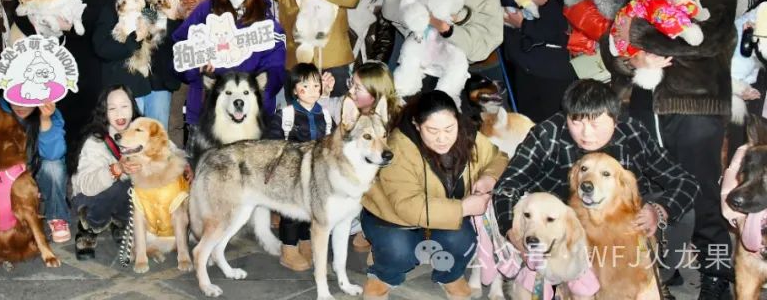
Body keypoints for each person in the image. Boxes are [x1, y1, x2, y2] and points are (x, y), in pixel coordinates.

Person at [601, 0, 736, 300]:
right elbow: (610, 46)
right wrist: (633, 60)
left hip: (698, 108)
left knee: (701, 190)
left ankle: (716, 275)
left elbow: (705, 42)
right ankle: (663, 268)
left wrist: (638, 35)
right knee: (652, 191)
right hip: (647, 108)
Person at [493, 81, 698, 281]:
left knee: (683, 214)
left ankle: (656, 278)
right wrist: (513, 232)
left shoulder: (632, 132)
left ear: (615, 119)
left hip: (621, 218)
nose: (586, 133)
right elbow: (507, 186)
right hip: (566, 224)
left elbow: (685, 181)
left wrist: (659, 210)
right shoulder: (547, 135)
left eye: (595, 123)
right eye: (576, 122)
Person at [361, 90, 508, 300]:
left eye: (449, 128)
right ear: (417, 124)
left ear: (457, 121)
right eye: (432, 130)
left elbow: (499, 158)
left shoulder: (468, 135)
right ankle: (384, 274)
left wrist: (489, 177)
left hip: (441, 216)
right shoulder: (398, 147)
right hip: (392, 218)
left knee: (462, 240)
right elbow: (408, 206)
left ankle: (449, 275)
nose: (442, 138)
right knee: (399, 253)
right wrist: (463, 208)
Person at [174, 0, 287, 129]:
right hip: (209, 112)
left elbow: (276, 65)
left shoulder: (264, 18)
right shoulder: (205, 10)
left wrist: (257, 94)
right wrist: (196, 67)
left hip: (251, 113)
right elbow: (181, 50)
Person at [36, 0, 115, 134]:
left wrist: (70, 25)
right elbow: (30, 4)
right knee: (59, 110)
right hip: (56, 53)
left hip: (86, 52)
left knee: (84, 112)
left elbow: (102, 12)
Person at [93, 0, 181, 129]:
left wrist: (172, 19)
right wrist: (135, 38)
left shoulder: (160, 2)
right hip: (128, 84)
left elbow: (169, 42)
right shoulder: (118, 3)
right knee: (130, 137)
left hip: (159, 83)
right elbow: (101, 47)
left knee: (157, 137)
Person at [0, 98, 69, 242]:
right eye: (16, 99)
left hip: (38, 174)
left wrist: (45, 120)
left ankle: (57, 216)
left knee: (53, 165)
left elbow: (54, 154)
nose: (20, 106)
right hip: (5, 178)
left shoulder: (50, 113)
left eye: (26, 100)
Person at [501, 0, 575, 121]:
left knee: (556, 126)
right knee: (528, 128)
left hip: (555, 74)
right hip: (523, 71)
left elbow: (559, 32)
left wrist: (523, 24)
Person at [267, 63, 333, 272]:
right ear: (294, 89)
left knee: (310, 213)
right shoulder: (285, 115)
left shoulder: (326, 115)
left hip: (317, 175)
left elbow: (334, 143)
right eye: (305, 86)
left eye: (316, 86)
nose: (312, 91)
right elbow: (271, 145)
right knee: (291, 215)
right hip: (291, 176)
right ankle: (288, 249)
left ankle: (306, 243)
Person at [71, 85, 141, 259]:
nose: (120, 114)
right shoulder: (95, 141)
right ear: (104, 112)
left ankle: (121, 222)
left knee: (140, 186)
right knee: (120, 185)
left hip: (124, 193)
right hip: (91, 197)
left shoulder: (143, 130)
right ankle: (88, 228)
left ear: (133, 108)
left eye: (124, 106)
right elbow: (86, 186)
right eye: (112, 108)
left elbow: (167, 150)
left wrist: (184, 166)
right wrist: (117, 169)